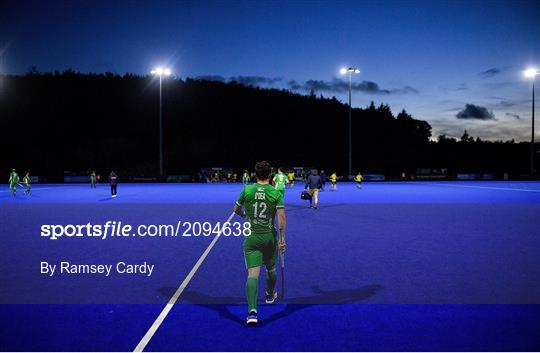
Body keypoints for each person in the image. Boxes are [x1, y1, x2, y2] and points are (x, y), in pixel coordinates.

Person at [233, 161, 286, 325]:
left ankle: (252, 311)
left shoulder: (247, 190)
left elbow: (236, 210)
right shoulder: (275, 192)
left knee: (252, 275)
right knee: (271, 269)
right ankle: (270, 295)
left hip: (252, 238)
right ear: (270, 175)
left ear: (255, 175)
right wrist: (282, 240)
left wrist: (245, 217)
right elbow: (281, 219)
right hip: (269, 238)